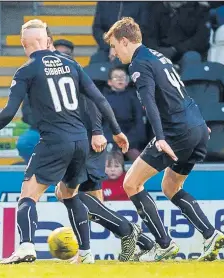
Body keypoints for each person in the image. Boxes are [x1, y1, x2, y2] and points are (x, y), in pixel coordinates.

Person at [0, 19, 129, 265]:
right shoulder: (71, 63)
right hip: (81, 141)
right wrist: (117, 131)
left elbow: (9, 111)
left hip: (54, 141)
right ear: (47, 40)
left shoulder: (26, 70)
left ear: (24, 44)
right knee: (69, 195)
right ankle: (86, 254)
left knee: (28, 195)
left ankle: (26, 247)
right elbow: (100, 100)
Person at [104, 17, 224, 262]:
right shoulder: (159, 57)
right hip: (196, 128)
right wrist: (200, 123)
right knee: (170, 187)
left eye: (115, 48)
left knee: (131, 184)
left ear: (125, 41)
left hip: (175, 132)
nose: (115, 54)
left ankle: (164, 244)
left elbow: (149, 102)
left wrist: (160, 137)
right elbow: (181, 91)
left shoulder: (139, 63)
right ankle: (210, 234)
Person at [48, 30, 153, 262]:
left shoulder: (67, 72)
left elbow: (95, 102)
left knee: (65, 193)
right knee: (93, 207)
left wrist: (96, 131)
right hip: (84, 143)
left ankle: (122, 232)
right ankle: (145, 242)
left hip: (83, 144)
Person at [103, 66, 146, 161]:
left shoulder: (133, 97)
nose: (120, 79)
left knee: (139, 160)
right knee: (110, 160)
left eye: (122, 77)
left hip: (130, 138)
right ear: (109, 82)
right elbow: (102, 123)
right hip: (110, 137)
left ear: (127, 81)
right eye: (116, 77)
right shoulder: (103, 99)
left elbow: (139, 120)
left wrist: (131, 139)